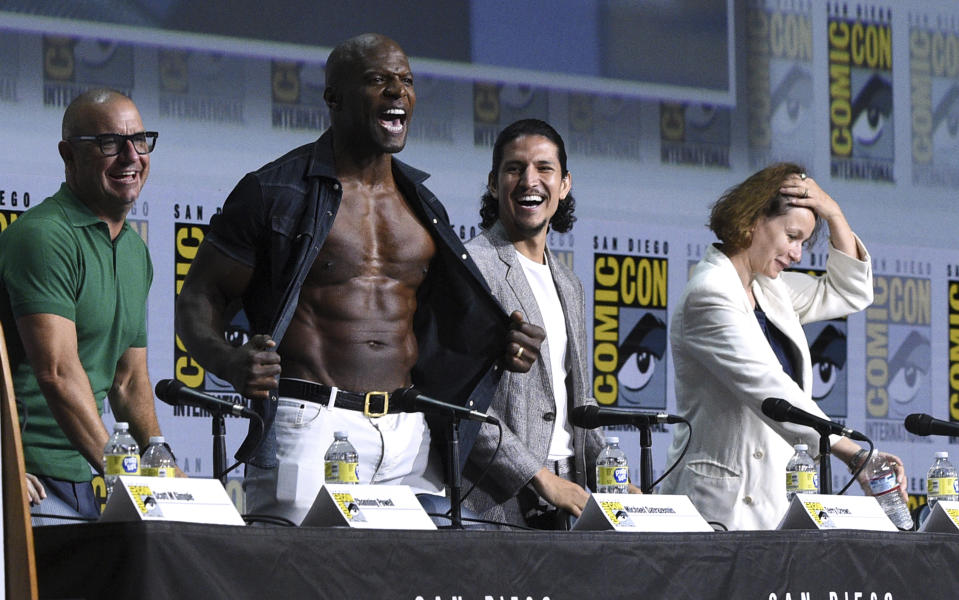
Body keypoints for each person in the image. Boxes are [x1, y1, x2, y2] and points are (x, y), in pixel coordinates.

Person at [175, 33, 539, 525]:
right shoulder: (274, 190)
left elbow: (438, 326)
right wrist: (229, 362)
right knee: (300, 582)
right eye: (377, 80)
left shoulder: (423, 206)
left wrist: (502, 344)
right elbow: (200, 295)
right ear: (334, 98)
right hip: (309, 424)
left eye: (406, 81)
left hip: (407, 432)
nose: (397, 91)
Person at [658, 162, 907, 530]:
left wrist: (833, 211)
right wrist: (855, 455)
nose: (797, 254)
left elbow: (848, 291)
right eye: (792, 236)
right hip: (718, 507)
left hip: (772, 502)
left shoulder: (769, 288)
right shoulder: (708, 293)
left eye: (804, 243)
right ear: (752, 220)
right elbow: (770, 387)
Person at [0, 88, 166, 524]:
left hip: (81, 477)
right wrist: (123, 474)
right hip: (24, 474)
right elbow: (57, 372)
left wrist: (161, 467)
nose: (131, 157)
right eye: (109, 144)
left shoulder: (134, 252)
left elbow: (129, 382)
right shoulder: (44, 236)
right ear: (68, 154)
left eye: (141, 140)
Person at [463, 119, 627, 529]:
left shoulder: (570, 284)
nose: (528, 180)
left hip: (572, 490)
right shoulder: (472, 266)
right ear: (493, 182)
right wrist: (538, 476)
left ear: (565, 184)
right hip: (498, 495)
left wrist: (613, 485)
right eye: (514, 168)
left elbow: (581, 403)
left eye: (544, 168)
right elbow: (463, 402)